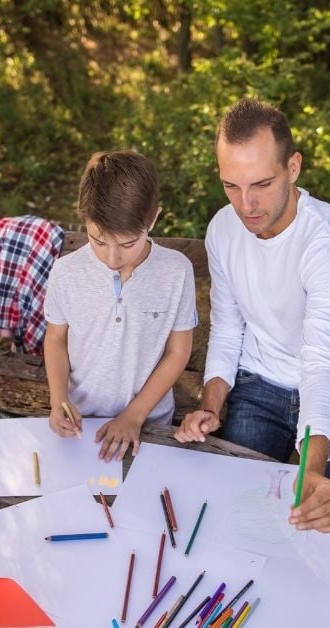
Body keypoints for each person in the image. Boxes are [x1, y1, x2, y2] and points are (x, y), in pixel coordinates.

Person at [174, 99, 330, 533]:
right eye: (231, 186)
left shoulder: (328, 240)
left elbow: (322, 359)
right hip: (260, 382)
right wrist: (211, 405)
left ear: (294, 167)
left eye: (261, 183)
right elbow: (227, 328)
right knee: (230, 518)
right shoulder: (222, 229)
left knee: (324, 527)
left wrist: (311, 471)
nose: (246, 205)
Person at [44, 150, 198, 462]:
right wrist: (58, 399)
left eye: (127, 244)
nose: (112, 258)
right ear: (84, 219)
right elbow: (56, 338)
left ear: (152, 218)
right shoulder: (65, 271)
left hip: (150, 424)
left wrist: (134, 416)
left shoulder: (176, 271)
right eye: (98, 241)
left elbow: (178, 352)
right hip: (82, 425)